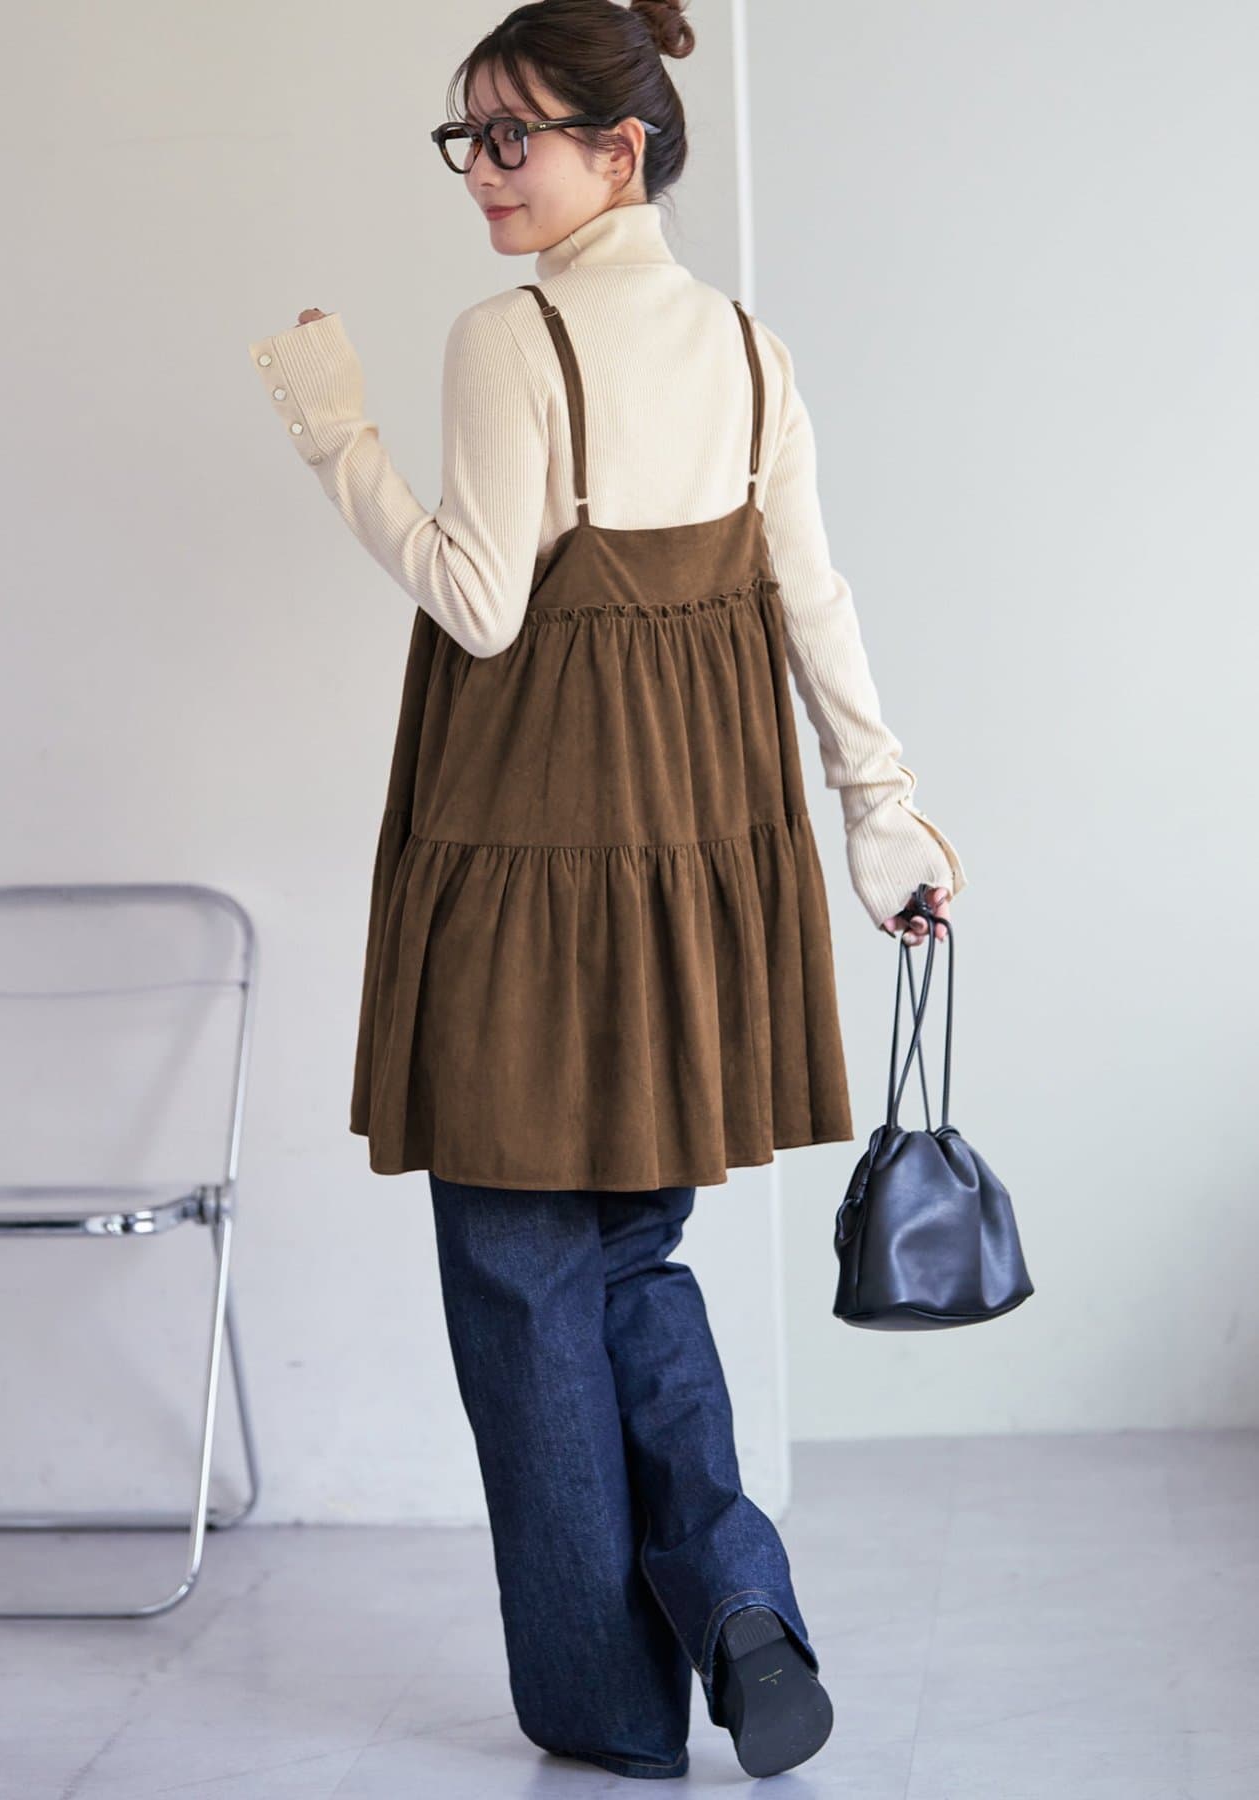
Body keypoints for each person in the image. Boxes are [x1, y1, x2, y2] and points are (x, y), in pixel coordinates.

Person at [247, 0, 966, 1779]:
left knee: (520, 1280)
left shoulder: (511, 342)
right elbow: (814, 602)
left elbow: (479, 601)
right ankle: (740, 1600)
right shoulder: (752, 351)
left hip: (523, 866)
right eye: (468, 138)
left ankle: (605, 1711)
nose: (483, 173)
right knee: (634, 1254)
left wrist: (336, 433)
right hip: (687, 880)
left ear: (618, 148)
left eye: (515, 137)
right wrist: (885, 817)